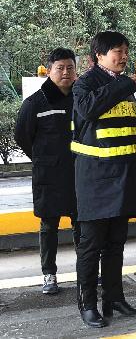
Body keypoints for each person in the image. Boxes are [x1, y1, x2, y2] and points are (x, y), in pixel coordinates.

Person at [71, 31, 136, 328]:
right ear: (99, 55)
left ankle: (113, 297)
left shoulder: (123, 85)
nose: (124, 56)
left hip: (124, 176)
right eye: (117, 51)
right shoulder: (86, 82)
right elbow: (88, 109)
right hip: (96, 180)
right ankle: (88, 304)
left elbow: (131, 131)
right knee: (91, 246)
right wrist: (124, 84)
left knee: (116, 244)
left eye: (126, 50)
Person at [14, 47, 80, 295]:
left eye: (70, 68)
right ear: (49, 70)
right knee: (49, 226)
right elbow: (22, 136)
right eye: (60, 68)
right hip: (49, 176)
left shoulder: (81, 98)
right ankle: (49, 274)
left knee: (82, 224)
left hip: (78, 173)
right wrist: (44, 159)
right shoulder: (35, 103)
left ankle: (86, 272)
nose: (65, 73)